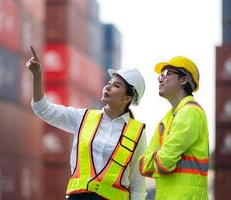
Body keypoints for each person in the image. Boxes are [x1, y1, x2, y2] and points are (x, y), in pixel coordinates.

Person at [26, 46, 147, 200]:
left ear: (127, 98)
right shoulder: (83, 118)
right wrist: (37, 75)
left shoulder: (137, 133)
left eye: (116, 86)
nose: (108, 86)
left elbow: (138, 184)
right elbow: (43, 109)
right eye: (109, 82)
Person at [139, 56, 209, 200]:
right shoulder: (166, 120)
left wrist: (156, 156)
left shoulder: (190, 113)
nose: (160, 79)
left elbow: (164, 164)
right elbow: (143, 165)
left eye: (166, 74)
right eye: (160, 75)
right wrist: (159, 156)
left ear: (184, 80)